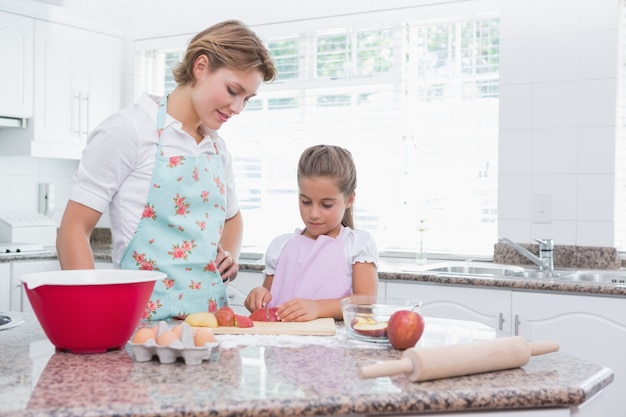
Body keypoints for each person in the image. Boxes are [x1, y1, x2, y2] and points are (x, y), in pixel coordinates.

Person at [56, 20, 278, 321]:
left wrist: (231, 255)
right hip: (142, 324)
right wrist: (93, 310)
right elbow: (73, 229)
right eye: (232, 90)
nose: (238, 108)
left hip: (214, 324)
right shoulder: (129, 130)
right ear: (201, 66)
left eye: (247, 99)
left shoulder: (216, 147)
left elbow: (233, 217)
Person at [244, 144, 379, 321]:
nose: (314, 214)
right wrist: (258, 295)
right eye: (306, 202)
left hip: (334, 345)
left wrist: (317, 307)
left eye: (326, 205)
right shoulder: (280, 246)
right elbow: (267, 299)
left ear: (349, 200)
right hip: (281, 344)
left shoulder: (357, 245)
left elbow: (365, 303)